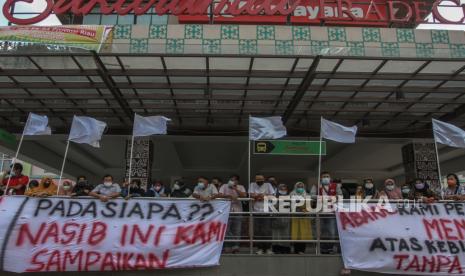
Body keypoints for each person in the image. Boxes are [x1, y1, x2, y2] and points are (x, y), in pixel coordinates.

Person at [310, 171, 342, 254]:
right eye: (324, 176)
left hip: (331, 212)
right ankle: (322, 249)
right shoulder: (316, 185)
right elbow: (312, 195)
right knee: (320, 232)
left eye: (327, 176)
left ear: (330, 178)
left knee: (331, 232)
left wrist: (333, 197)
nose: (326, 178)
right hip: (320, 212)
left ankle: (330, 248)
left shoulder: (336, 186)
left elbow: (340, 195)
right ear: (321, 178)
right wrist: (322, 198)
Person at [218, 177, 247, 253]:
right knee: (226, 229)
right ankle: (229, 245)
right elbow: (219, 195)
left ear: (237, 181)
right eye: (231, 180)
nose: (232, 181)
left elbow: (244, 195)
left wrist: (235, 188)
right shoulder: (224, 186)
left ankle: (235, 247)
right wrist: (228, 196)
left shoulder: (241, 187)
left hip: (238, 211)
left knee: (237, 230)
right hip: (226, 211)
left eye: (234, 180)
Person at [249, 173, 275, 255]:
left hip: (266, 211)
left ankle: (267, 248)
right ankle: (260, 248)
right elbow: (250, 194)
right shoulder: (252, 184)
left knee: (266, 231)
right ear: (255, 180)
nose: (259, 181)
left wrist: (263, 196)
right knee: (257, 231)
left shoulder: (268, 185)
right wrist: (259, 196)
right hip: (256, 211)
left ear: (264, 180)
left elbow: (272, 194)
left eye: (261, 180)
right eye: (258, 180)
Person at [290, 182, 312, 254]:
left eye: (302, 187)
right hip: (295, 217)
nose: (300, 188)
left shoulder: (307, 195)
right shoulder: (291, 194)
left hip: (304, 218)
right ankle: (296, 250)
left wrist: (306, 209)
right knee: (296, 233)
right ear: (295, 187)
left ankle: (302, 250)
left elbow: (310, 206)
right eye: (298, 187)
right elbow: (290, 205)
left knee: (303, 234)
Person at [271, 183, 291, 254]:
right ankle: (276, 249)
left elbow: (291, 208)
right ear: (278, 190)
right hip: (276, 219)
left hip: (286, 219)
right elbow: (271, 207)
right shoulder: (274, 197)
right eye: (281, 189)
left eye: (284, 189)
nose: (283, 190)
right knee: (276, 235)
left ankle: (285, 249)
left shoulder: (289, 197)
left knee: (285, 234)